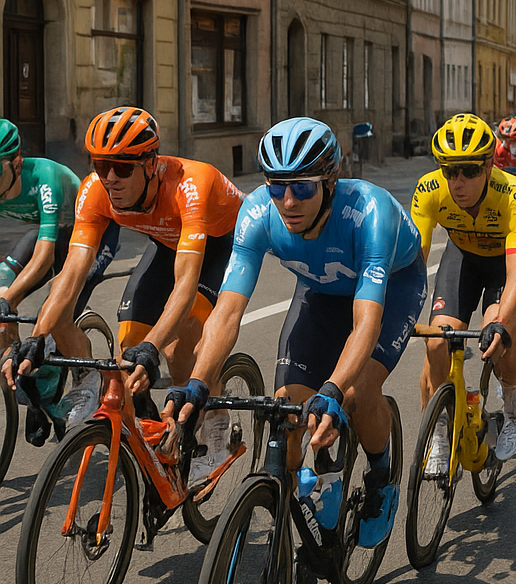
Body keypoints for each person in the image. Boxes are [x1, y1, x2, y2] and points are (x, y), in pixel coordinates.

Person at [164, 118, 426, 549]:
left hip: (392, 286)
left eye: (302, 187)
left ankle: (381, 475)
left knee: (357, 389)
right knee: (287, 416)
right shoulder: (257, 214)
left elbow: (366, 323)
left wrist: (334, 389)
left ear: (329, 181)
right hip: (320, 290)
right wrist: (197, 383)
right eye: (276, 186)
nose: (288, 201)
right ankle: (310, 502)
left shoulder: (370, 212)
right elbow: (228, 310)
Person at [4, 108, 245, 462]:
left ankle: (216, 427)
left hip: (219, 243)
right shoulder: (95, 190)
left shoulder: (191, 185)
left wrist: (154, 346)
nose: (110, 178)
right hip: (167, 242)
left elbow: (185, 283)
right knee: (128, 347)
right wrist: (38, 338)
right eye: (101, 166)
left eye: (122, 167)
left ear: (150, 164)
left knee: (178, 346)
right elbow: (71, 273)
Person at [411, 114, 516, 464]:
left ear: (489, 165)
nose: (457, 181)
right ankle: (438, 429)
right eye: (450, 171)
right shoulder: (429, 189)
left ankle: (511, 405)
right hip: (462, 256)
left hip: (504, 265)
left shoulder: (513, 194)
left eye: (468, 170)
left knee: (498, 334)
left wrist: (502, 322)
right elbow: (415, 261)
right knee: (437, 340)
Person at [0, 118, 121, 442]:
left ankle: (87, 374)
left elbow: (45, 258)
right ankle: (27, 375)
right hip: (45, 232)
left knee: (57, 310)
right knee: (3, 282)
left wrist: (9, 298)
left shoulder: (45, 180)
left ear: (16, 162)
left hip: (93, 234)